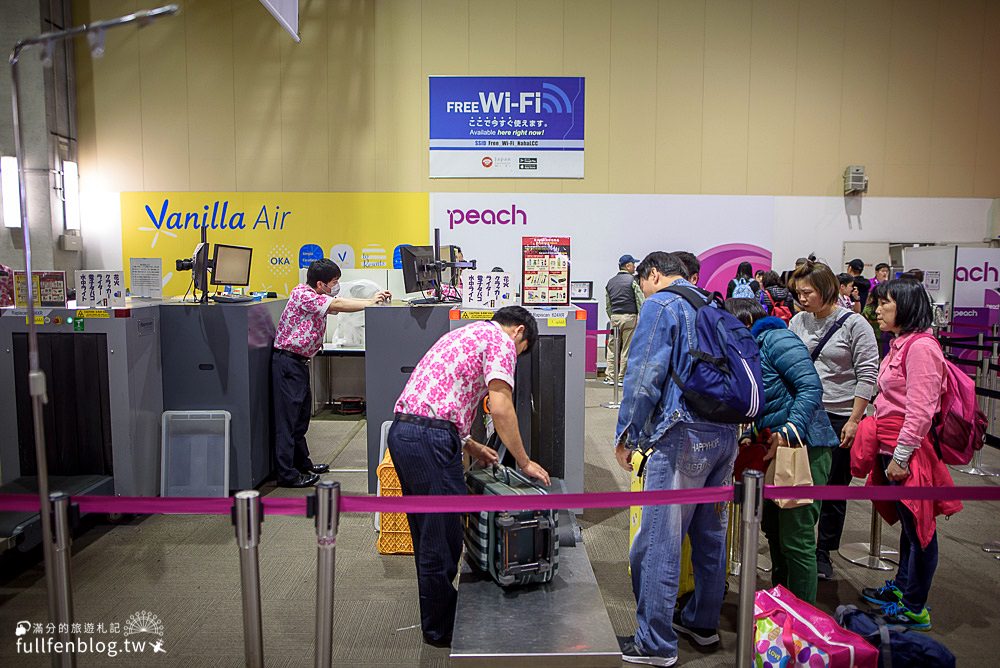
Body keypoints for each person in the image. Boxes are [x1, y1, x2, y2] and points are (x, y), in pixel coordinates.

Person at [388, 306, 550, 647]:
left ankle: (437, 614)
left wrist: (471, 445)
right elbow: (502, 406)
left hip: (406, 433)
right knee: (443, 536)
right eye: (522, 352)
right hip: (430, 440)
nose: (516, 357)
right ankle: (442, 630)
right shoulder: (502, 341)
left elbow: (441, 397)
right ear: (519, 331)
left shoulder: (465, 334)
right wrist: (524, 461)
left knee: (427, 531)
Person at [614, 251, 736, 666]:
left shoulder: (661, 303)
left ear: (653, 274)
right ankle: (703, 624)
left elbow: (645, 374)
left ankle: (655, 644)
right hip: (725, 433)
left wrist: (627, 434)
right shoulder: (711, 304)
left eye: (642, 283)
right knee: (709, 535)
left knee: (661, 540)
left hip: (682, 434)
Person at [852, 278, 962, 630]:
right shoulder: (900, 343)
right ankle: (903, 589)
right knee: (909, 526)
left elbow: (920, 410)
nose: (878, 309)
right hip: (890, 446)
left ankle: (916, 606)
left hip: (907, 450)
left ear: (906, 306)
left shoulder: (921, 348)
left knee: (921, 530)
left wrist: (901, 456)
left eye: (885, 303)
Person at [725, 299, 838, 604]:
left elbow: (811, 386)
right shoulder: (753, 349)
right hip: (774, 450)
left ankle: (802, 621)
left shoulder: (777, 338)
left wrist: (790, 430)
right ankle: (781, 606)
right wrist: (751, 432)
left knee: (796, 539)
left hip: (805, 449)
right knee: (775, 533)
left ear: (745, 321)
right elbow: (767, 400)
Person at [787, 261, 879, 580]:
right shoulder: (798, 321)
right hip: (804, 412)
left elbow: (868, 372)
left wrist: (855, 419)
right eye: (798, 292)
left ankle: (823, 549)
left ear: (826, 289)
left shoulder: (854, 324)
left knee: (833, 485)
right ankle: (795, 544)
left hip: (840, 415)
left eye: (808, 292)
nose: (802, 298)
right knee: (798, 479)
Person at [272, 259, 391, 487]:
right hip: (287, 363)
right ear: (321, 283)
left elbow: (340, 302)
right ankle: (287, 474)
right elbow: (337, 305)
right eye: (334, 282)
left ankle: (302, 464)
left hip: (299, 364)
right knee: (287, 422)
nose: (336, 286)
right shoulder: (302, 294)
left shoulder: (316, 297)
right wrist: (370, 302)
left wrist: (372, 299)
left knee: (300, 420)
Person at [605, 254, 644, 386]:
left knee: (612, 348)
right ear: (627, 266)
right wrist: (641, 315)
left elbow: (608, 304)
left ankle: (610, 376)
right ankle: (621, 377)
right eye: (633, 264)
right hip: (629, 317)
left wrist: (612, 316)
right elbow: (640, 300)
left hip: (615, 317)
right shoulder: (632, 281)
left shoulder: (610, 282)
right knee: (626, 348)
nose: (635, 267)